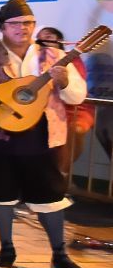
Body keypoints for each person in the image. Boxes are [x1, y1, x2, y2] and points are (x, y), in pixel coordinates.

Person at [0, 0, 86, 268]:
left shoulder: (53, 57)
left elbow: (77, 95)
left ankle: (60, 255)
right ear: (2, 27)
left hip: (41, 135)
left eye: (28, 23)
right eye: (15, 23)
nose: (22, 28)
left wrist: (62, 81)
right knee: (0, 194)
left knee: (49, 194)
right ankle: (7, 250)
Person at [36, 25, 92, 178]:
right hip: (44, 107)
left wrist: (64, 82)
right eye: (41, 36)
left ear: (59, 40)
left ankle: (61, 174)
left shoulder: (71, 57)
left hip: (74, 109)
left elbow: (77, 93)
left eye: (49, 36)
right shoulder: (32, 56)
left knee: (75, 129)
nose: (44, 38)